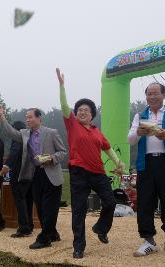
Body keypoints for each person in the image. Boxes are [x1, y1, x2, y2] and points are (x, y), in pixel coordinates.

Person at [56, 68, 125, 258]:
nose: (82, 112)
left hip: (98, 173)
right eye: (79, 110)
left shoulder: (97, 131)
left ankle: (101, 228)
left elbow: (108, 148)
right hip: (78, 172)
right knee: (79, 210)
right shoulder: (72, 124)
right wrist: (62, 86)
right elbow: (64, 105)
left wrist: (119, 163)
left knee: (110, 202)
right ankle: (79, 247)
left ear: (92, 114)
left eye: (86, 110)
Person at [127, 82, 165, 257]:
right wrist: (138, 133)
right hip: (146, 164)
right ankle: (149, 241)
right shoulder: (140, 115)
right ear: (145, 96)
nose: (152, 97)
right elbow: (130, 140)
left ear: (164, 95)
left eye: (156, 93)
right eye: (149, 94)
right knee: (145, 202)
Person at [0, 104, 66, 250]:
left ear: (39, 118)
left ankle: (44, 238)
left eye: (30, 117)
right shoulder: (25, 134)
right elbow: (11, 132)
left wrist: (50, 158)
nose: (27, 120)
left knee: (49, 208)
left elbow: (63, 152)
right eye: (26, 117)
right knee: (39, 207)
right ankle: (52, 233)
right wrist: (2, 116)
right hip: (35, 174)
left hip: (52, 174)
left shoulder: (51, 132)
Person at [0, 120, 34, 238]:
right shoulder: (30, 137)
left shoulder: (18, 138)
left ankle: (24, 228)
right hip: (30, 174)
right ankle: (29, 225)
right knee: (28, 200)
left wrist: (6, 165)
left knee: (19, 199)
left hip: (19, 173)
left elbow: (14, 152)